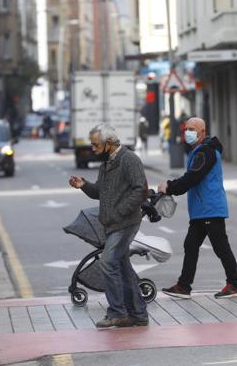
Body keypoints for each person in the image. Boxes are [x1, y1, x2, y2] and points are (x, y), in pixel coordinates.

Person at [69, 124, 149, 328]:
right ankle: (138, 314)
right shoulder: (106, 163)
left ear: (109, 143)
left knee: (107, 263)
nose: (92, 149)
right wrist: (84, 185)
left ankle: (117, 312)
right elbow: (100, 192)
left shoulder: (129, 160)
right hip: (112, 223)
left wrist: (120, 211)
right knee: (122, 267)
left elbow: (140, 190)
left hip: (126, 222)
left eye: (96, 145)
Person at [157, 117, 237, 299]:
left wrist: (170, 187)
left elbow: (193, 177)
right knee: (190, 245)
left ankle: (235, 284)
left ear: (202, 133)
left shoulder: (205, 152)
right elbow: (192, 176)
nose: (188, 132)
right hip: (201, 210)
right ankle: (184, 286)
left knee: (221, 247)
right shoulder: (198, 151)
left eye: (192, 129)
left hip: (210, 209)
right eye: (186, 128)